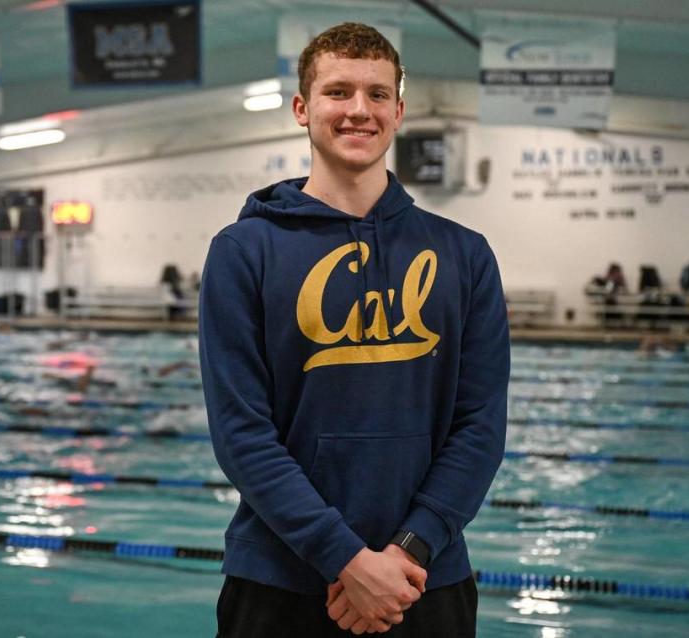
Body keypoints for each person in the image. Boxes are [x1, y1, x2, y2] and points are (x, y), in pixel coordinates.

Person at [199, 23, 509, 637]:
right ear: (302, 108)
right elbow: (241, 433)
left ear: (398, 109)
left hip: (423, 582)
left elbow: (480, 426)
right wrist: (344, 557)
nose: (357, 111)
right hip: (278, 581)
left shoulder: (466, 254)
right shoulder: (243, 251)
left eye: (375, 94)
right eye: (338, 92)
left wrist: (408, 551)